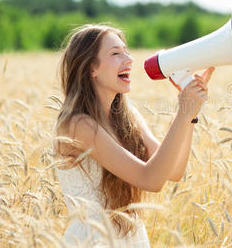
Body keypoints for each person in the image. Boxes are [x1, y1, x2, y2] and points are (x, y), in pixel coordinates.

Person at [52, 24, 214, 247]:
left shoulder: (127, 116)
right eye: (116, 53)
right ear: (92, 68)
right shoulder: (77, 125)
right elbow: (151, 179)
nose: (128, 59)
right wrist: (183, 112)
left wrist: (191, 115)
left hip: (131, 238)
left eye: (126, 51)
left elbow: (174, 170)